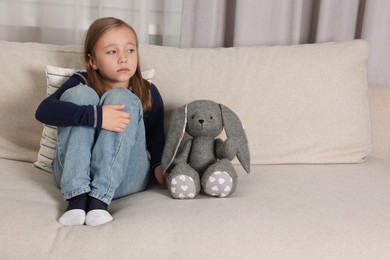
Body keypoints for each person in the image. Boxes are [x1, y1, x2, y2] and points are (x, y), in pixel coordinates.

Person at [35, 17, 166, 226]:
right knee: (79, 96)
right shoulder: (81, 81)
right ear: (92, 61)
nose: (123, 58)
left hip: (125, 179)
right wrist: (98, 116)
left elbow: (156, 138)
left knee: (122, 97)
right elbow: (44, 111)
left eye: (130, 50)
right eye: (112, 52)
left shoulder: (147, 91)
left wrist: (164, 170)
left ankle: (98, 201)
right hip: (73, 176)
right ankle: (77, 199)